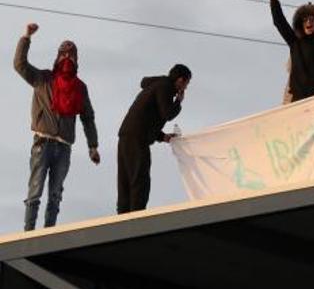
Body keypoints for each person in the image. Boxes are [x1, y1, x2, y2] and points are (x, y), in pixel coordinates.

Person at [14, 23, 100, 230]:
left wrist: (93, 146)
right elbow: (20, 64)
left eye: (71, 55)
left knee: (55, 195)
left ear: (77, 59)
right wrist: (26, 37)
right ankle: (29, 234)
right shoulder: (43, 78)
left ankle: (49, 234)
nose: (67, 59)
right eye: (64, 54)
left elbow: (88, 117)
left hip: (64, 148)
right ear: (57, 57)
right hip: (42, 143)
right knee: (35, 191)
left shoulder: (80, 87)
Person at [117, 64, 190, 213]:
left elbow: (148, 118)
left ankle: (122, 218)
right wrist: (178, 101)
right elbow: (167, 113)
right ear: (181, 80)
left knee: (125, 180)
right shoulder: (165, 88)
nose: (185, 88)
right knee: (140, 180)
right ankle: (136, 218)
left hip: (127, 135)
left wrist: (163, 136)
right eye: (186, 84)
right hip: (138, 138)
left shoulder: (155, 86)